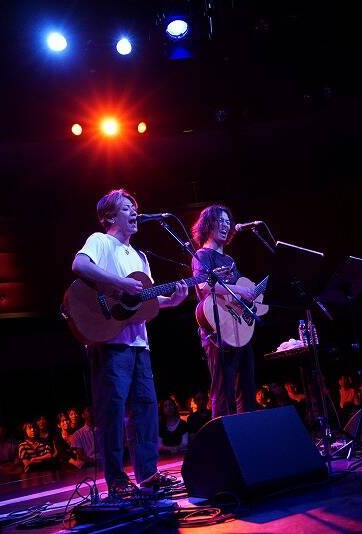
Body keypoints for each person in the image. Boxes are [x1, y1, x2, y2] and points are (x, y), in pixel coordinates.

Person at [72, 189, 188, 496]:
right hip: (110, 342)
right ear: (110, 216)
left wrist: (173, 300)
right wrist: (120, 283)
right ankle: (117, 482)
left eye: (135, 208)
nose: (135, 213)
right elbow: (80, 266)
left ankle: (148, 475)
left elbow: (145, 302)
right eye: (127, 208)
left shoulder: (141, 257)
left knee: (147, 409)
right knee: (112, 412)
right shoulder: (100, 241)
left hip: (139, 344)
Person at [191, 204, 258, 418]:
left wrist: (251, 294)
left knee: (247, 387)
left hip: (238, 326)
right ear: (208, 224)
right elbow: (203, 285)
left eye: (228, 222)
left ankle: (248, 437)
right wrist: (241, 289)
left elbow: (237, 293)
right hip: (217, 330)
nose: (226, 226)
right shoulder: (202, 255)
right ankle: (225, 440)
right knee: (223, 389)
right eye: (221, 221)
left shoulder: (229, 260)